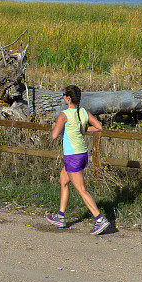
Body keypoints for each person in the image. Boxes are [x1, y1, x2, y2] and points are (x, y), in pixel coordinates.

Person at [46, 85, 110, 235]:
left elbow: (54, 135)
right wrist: (84, 130)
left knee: (81, 189)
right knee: (63, 180)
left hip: (73, 156)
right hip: (82, 153)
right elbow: (99, 127)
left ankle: (100, 219)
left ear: (68, 98)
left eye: (64, 96)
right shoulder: (83, 112)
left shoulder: (64, 115)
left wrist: (55, 126)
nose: (63, 98)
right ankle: (60, 216)